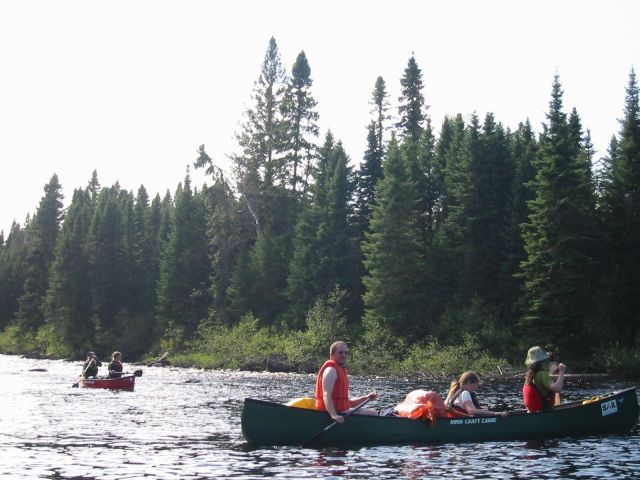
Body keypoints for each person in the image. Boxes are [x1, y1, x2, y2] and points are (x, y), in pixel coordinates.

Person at [314, 341, 378, 423]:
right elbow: (326, 395)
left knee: (373, 411)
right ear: (332, 354)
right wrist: (334, 415)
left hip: (340, 411)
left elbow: (348, 403)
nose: (344, 355)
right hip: (331, 413)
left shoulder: (340, 370)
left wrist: (366, 397)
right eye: (340, 352)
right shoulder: (331, 370)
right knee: (374, 413)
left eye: (345, 353)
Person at [523, 346, 566, 412]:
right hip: (543, 411)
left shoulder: (530, 375)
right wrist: (561, 371)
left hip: (532, 412)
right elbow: (558, 388)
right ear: (542, 363)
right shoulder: (543, 374)